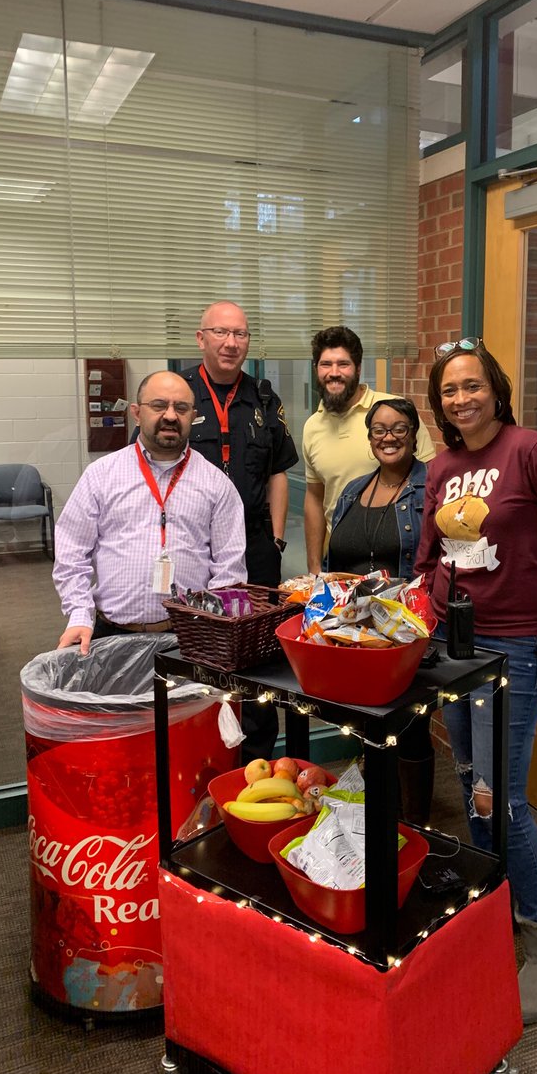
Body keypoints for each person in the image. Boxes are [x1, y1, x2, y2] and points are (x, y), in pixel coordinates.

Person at [414, 337, 537, 1025]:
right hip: (451, 643)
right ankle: (490, 905)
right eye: (448, 390)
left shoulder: (531, 452)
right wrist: (420, 604)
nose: (462, 398)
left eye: (472, 386)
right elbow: (434, 550)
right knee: (470, 782)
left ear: (495, 390)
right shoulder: (441, 464)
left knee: (505, 796)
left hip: (514, 648)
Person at [54, 370, 247, 655]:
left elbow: (229, 568)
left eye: (181, 408)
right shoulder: (101, 475)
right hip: (111, 634)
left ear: (193, 416)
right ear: (136, 412)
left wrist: (212, 627)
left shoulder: (216, 484)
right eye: (158, 405)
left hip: (188, 637)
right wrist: (80, 615)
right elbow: (71, 553)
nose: (170, 415)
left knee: (186, 702)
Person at [182, 300, 299, 760]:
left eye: (241, 334)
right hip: (196, 541)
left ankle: (258, 754)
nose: (232, 343)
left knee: (256, 650)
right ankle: (204, 747)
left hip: (254, 542)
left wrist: (275, 540)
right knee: (201, 637)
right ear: (201, 338)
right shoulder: (181, 394)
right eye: (221, 333)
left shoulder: (264, 399)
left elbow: (278, 471)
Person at [327, 397, 434, 823]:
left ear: (414, 434)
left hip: (404, 635)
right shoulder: (355, 489)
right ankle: (375, 821)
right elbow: (336, 559)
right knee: (368, 727)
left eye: (399, 428)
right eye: (379, 430)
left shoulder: (431, 487)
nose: (388, 437)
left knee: (410, 730)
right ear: (369, 438)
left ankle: (415, 826)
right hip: (352, 634)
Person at [301, 325, 435, 574]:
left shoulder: (394, 413)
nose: (334, 373)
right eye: (325, 364)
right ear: (316, 369)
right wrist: (314, 567)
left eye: (343, 364)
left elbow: (431, 484)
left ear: (358, 368)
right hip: (345, 557)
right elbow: (315, 497)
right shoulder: (312, 427)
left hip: (399, 556)